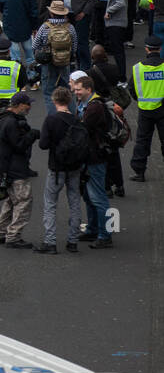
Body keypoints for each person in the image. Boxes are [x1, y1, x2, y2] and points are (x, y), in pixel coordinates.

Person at [36, 86, 86, 254]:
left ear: (54, 100)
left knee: (50, 203)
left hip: (56, 167)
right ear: (69, 100)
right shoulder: (77, 120)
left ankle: (50, 241)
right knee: (74, 203)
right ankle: (72, 241)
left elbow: (43, 145)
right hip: (74, 167)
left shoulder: (51, 120)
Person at [71, 75, 116, 248]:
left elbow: (82, 129)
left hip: (95, 157)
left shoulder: (95, 107)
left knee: (98, 197)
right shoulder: (86, 104)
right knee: (89, 196)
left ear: (89, 89)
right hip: (88, 156)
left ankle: (105, 236)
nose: (76, 92)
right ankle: (92, 229)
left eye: (79, 89)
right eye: (75, 89)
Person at [0, 92, 40, 248]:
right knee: (23, 202)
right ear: (19, 105)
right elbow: (19, 145)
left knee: (11, 202)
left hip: (3, 167)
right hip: (16, 168)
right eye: (27, 104)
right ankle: (13, 236)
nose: (30, 107)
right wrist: (32, 135)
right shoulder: (12, 123)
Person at [129, 35, 164, 181]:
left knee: (142, 141)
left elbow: (131, 88)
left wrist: (141, 100)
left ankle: (139, 172)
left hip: (145, 110)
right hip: (163, 109)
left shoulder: (138, 68)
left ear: (146, 49)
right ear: (160, 49)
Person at [34, 1, 77, 108]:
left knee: (49, 93)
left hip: (48, 62)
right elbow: (75, 46)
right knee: (67, 92)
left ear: (51, 13)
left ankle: (54, 118)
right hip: (65, 62)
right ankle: (70, 117)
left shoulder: (45, 27)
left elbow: (35, 45)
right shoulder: (70, 27)